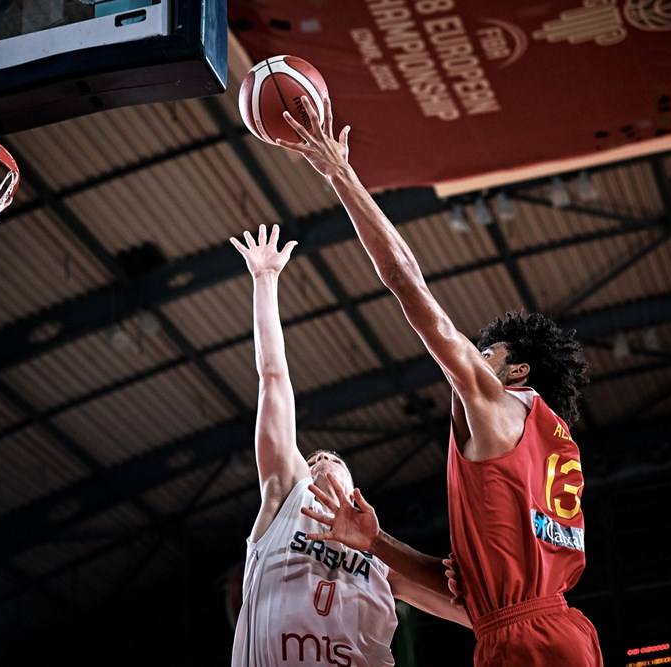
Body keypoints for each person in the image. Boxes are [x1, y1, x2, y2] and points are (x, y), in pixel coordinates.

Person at [280, 98, 603, 667]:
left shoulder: (502, 408)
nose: (475, 358)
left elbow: (408, 283)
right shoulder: (547, 448)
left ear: (518, 371)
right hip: (542, 632)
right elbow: (474, 609)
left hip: (530, 639)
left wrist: (342, 175)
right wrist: (374, 543)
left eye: (489, 352)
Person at [228, 224, 469, 667]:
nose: (322, 460)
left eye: (334, 459)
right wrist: (265, 281)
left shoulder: (379, 557)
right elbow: (273, 379)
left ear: (357, 490)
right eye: (313, 458)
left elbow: (474, 618)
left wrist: (475, 582)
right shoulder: (284, 499)